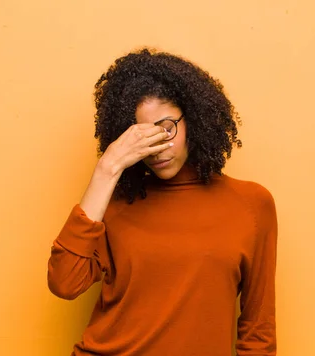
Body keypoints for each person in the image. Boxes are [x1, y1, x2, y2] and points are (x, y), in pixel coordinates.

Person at [47, 48, 278, 355]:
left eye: (167, 128)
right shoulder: (113, 203)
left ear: (193, 119)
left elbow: (258, 330)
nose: (157, 148)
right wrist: (108, 168)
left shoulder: (251, 204)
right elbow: (64, 283)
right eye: (143, 136)